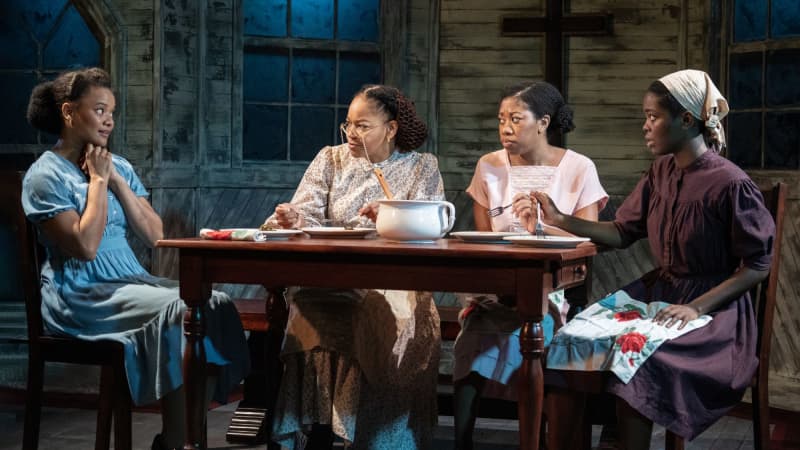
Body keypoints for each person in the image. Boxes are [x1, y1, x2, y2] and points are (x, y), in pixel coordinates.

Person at [534, 69, 775, 449]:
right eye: (644, 116)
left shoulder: (731, 184)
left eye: (653, 117)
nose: (645, 126)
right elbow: (620, 232)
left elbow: (758, 265)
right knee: (571, 338)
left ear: (685, 120)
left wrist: (695, 308)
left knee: (636, 359)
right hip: (658, 295)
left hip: (715, 314)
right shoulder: (659, 173)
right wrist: (561, 220)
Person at [21, 67, 249, 450]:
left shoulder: (118, 166)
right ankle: (179, 441)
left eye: (112, 111)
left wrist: (116, 180)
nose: (109, 120)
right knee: (183, 310)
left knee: (214, 304)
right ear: (68, 112)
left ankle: (180, 436)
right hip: (80, 292)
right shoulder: (44, 176)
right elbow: (85, 247)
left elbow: (156, 235)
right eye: (98, 109)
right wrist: (95, 181)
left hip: (131, 279)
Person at [266, 84, 445, 449]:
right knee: (311, 306)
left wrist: (392, 214)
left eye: (362, 126)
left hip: (395, 283)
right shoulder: (330, 159)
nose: (351, 133)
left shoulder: (421, 166)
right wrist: (294, 216)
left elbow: (434, 226)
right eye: (348, 124)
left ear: (391, 129)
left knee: (371, 312)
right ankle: (318, 428)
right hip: (332, 277)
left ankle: (369, 433)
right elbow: (308, 212)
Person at [452, 80, 608, 449]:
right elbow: (487, 240)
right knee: (471, 335)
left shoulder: (578, 168)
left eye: (516, 119)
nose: (505, 127)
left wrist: (542, 226)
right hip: (499, 288)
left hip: (556, 291)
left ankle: (536, 440)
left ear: (543, 122)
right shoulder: (488, 166)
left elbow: (587, 245)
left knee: (542, 327)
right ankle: (461, 442)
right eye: (501, 119)